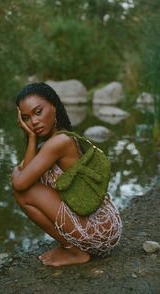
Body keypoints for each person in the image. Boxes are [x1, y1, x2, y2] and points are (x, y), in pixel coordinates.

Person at [11, 82, 122, 267]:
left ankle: (75, 251)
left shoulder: (59, 142)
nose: (34, 122)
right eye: (26, 118)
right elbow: (27, 174)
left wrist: (16, 171)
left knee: (22, 193)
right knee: (27, 186)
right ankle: (73, 247)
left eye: (38, 112)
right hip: (103, 224)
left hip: (99, 229)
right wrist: (31, 138)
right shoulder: (51, 141)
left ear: (54, 106)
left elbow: (20, 182)